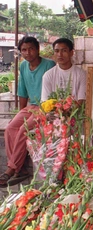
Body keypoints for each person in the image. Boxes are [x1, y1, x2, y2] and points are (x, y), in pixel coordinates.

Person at [0, 36, 55, 187]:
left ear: (37, 49)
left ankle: (11, 169)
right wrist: (21, 110)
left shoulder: (49, 65)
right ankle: (21, 169)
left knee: (24, 129)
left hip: (45, 107)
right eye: (24, 50)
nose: (28, 52)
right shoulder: (23, 66)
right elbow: (22, 91)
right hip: (30, 106)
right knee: (10, 128)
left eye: (31, 48)